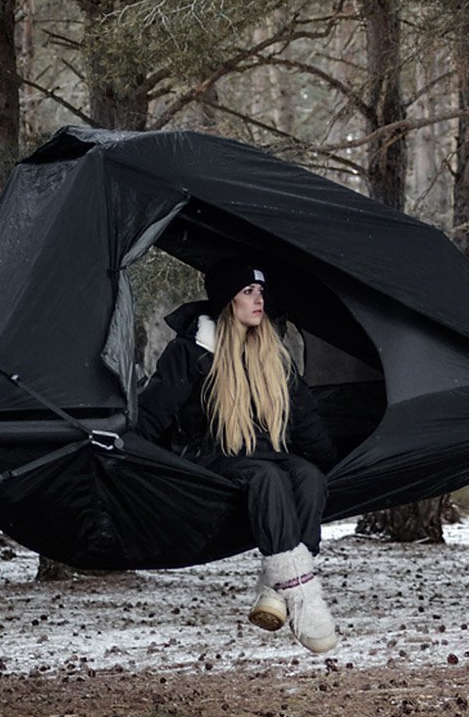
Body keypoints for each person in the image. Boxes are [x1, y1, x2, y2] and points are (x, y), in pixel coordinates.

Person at [136, 259, 339, 653]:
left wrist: (334, 464)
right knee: (268, 479)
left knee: (310, 478)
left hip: (269, 455)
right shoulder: (191, 352)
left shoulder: (274, 354)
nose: (258, 300)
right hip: (211, 459)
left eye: (261, 292)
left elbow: (305, 416)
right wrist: (130, 457)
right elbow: (155, 411)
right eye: (248, 292)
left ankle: (275, 591)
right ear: (228, 302)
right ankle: (305, 603)